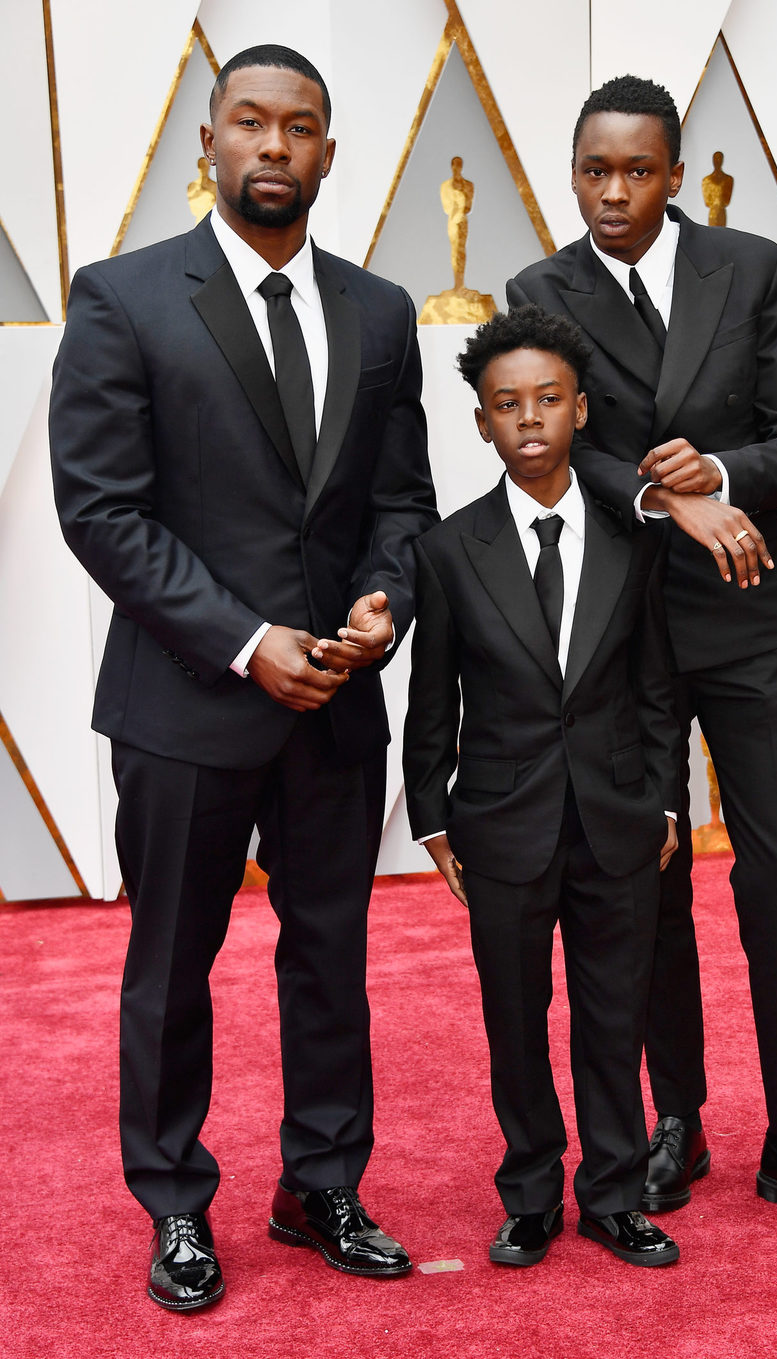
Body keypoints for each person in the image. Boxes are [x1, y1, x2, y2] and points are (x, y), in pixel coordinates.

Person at [49, 45, 438, 1310]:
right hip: (184, 701)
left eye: (301, 128)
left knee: (330, 955)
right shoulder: (122, 298)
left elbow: (402, 501)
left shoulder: (382, 314)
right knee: (172, 963)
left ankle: (322, 1180)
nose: (275, 146)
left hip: (336, 702)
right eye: (251, 124)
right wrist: (240, 640)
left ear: (330, 152)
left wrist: (387, 605)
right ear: (207, 145)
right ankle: (174, 1204)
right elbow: (103, 513)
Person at [507, 75, 777, 1234]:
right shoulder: (544, 289)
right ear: (571, 172)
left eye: (637, 170)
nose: (613, 192)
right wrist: (663, 500)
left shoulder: (754, 269)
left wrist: (721, 478)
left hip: (748, 615)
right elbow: (558, 458)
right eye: (594, 170)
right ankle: (676, 1120)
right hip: (624, 628)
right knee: (649, 878)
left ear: (678, 174)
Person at [403, 305, 682, 1269]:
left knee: (614, 1014)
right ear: (481, 422)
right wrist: (432, 820)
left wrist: (668, 804)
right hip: (500, 826)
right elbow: (431, 699)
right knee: (515, 1020)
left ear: (582, 410)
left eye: (549, 400)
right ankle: (530, 1192)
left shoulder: (633, 541)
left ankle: (611, 1193)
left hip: (616, 826)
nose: (530, 419)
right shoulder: (447, 551)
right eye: (507, 404)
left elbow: (656, 688)